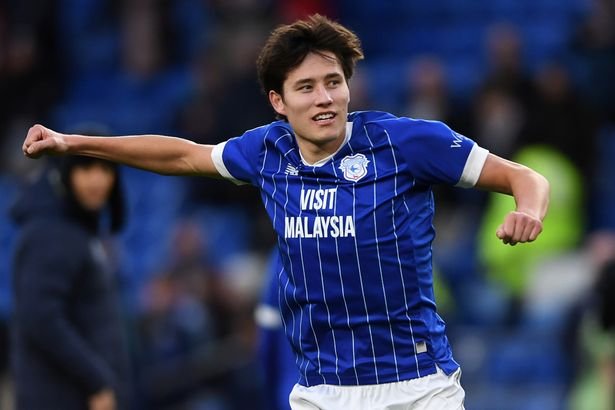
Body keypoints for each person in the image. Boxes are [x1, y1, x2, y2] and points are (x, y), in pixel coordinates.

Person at [21, 14, 549, 410]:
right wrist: (76, 143)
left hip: (417, 387)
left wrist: (528, 210)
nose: (325, 98)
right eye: (306, 87)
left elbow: (525, 177)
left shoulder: (405, 142)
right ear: (279, 101)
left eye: (334, 82)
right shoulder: (267, 151)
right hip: (322, 391)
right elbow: (182, 155)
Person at [10, 155, 132, 410]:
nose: (97, 179)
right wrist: (97, 382)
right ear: (64, 175)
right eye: (85, 168)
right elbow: (40, 318)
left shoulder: (80, 231)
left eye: (105, 168)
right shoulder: (51, 232)